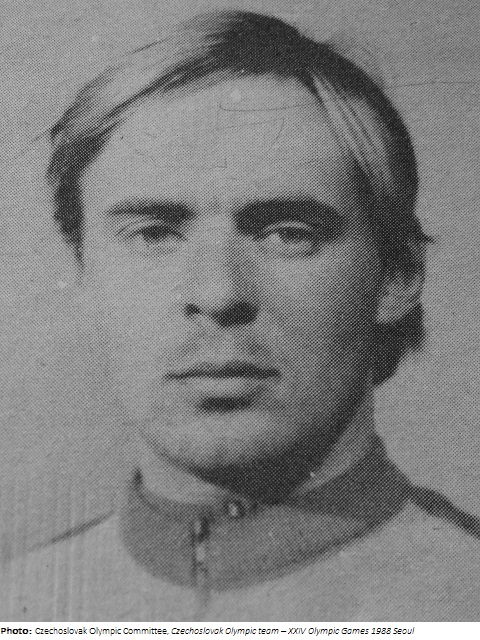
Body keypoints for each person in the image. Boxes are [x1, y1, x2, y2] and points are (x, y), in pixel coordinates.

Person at [2, 9, 479, 622]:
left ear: (396, 277)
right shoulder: (23, 600)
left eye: (288, 232)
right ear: (84, 274)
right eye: (154, 234)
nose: (219, 293)